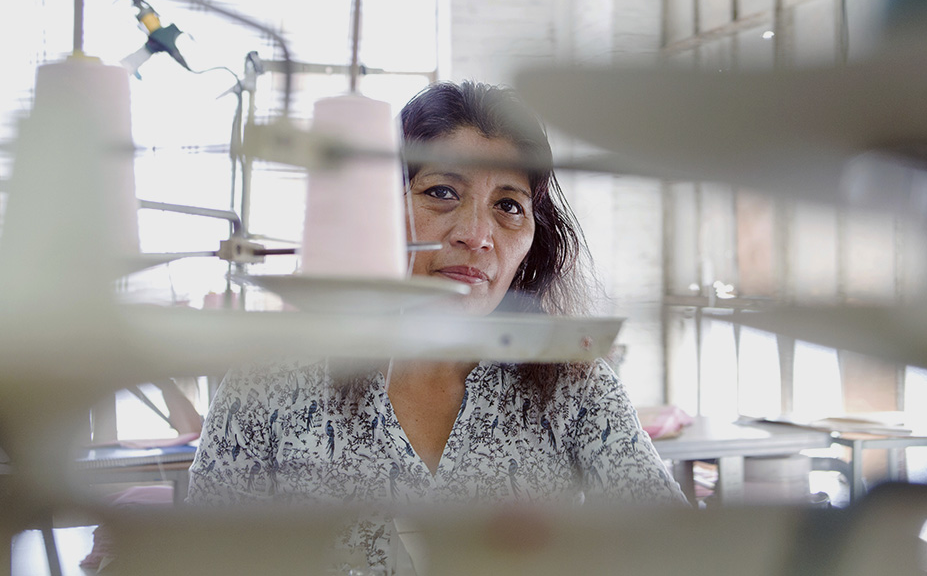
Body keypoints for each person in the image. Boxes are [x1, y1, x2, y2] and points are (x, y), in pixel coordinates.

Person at [186, 81, 687, 570]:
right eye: (442, 191)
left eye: (508, 205)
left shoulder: (572, 383)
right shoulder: (270, 383)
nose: (475, 235)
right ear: (382, 207)